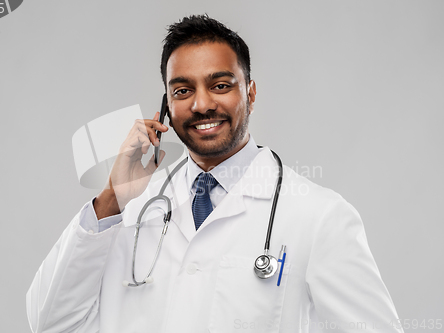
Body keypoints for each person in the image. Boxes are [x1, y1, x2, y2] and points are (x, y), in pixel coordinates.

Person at [27, 15, 404, 333]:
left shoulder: (319, 216)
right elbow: (51, 322)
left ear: (250, 93)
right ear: (166, 108)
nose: (202, 104)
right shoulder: (128, 211)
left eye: (220, 85)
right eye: (182, 91)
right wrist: (112, 196)